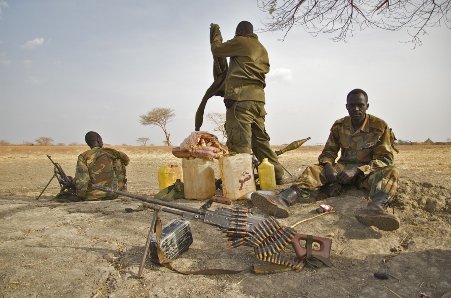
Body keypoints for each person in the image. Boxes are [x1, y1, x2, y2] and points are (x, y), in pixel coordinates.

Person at [251, 89, 400, 231]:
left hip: (367, 173)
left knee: (392, 172)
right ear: (346, 107)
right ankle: (282, 200)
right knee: (313, 170)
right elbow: (328, 152)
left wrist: (357, 171)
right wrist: (328, 166)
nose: (356, 109)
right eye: (352, 105)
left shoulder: (379, 126)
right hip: (342, 170)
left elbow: (385, 159)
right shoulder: (339, 125)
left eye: (360, 105)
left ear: (367, 106)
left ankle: (375, 210)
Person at [210, 21, 286, 184]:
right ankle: (276, 174)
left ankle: (241, 183)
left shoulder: (241, 41)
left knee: (239, 143)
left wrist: (215, 34)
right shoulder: (261, 48)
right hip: (258, 101)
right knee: (260, 141)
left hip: (240, 99)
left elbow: (217, 50)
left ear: (240, 32)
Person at [74, 131, 130, 200]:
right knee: (118, 161)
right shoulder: (110, 152)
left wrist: (80, 195)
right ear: (98, 140)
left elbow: (82, 179)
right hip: (112, 194)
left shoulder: (83, 156)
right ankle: (121, 189)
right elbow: (126, 160)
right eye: (101, 139)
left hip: (92, 196)